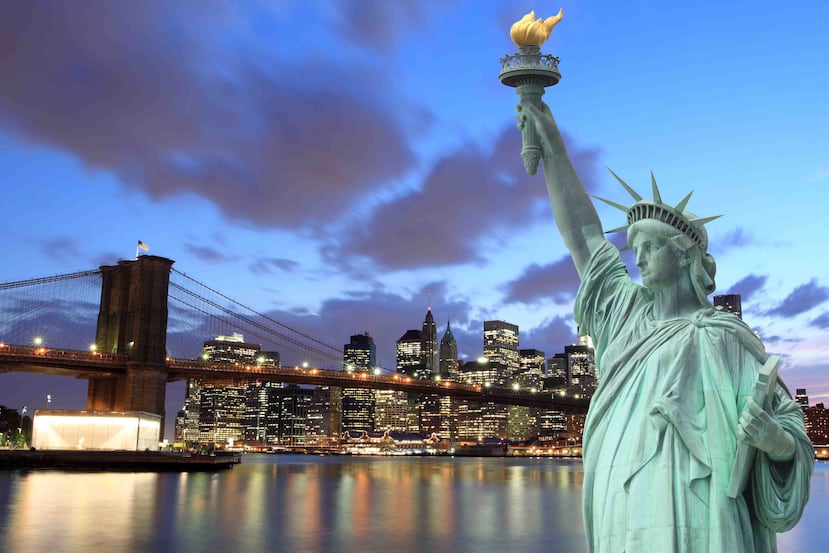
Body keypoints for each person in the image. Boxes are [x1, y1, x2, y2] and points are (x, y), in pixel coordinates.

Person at [517, 101, 813, 553]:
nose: (638, 256)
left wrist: (776, 442)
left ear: (685, 257)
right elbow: (582, 234)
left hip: (708, 511)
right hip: (629, 503)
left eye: (651, 246)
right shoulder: (626, 315)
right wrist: (553, 144)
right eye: (635, 247)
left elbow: (791, 426)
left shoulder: (725, 337)